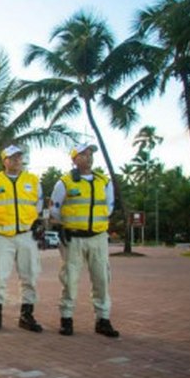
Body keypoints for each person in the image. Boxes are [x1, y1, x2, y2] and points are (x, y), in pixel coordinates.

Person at [50, 143, 120, 338]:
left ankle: (103, 319)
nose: (88, 157)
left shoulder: (103, 182)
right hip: (73, 239)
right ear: (73, 159)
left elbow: (109, 207)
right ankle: (66, 319)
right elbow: (54, 210)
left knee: (102, 279)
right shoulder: (64, 183)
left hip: (97, 238)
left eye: (90, 154)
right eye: (83, 154)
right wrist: (63, 227)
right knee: (70, 279)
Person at [0, 145, 44, 333]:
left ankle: (26, 316)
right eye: (11, 157)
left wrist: (31, 220)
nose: (16, 160)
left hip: (25, 235)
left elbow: (38, 204)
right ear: (4, 161)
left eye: (19, 157)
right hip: (2, 237)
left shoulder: (32, 180)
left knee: (30, 275)